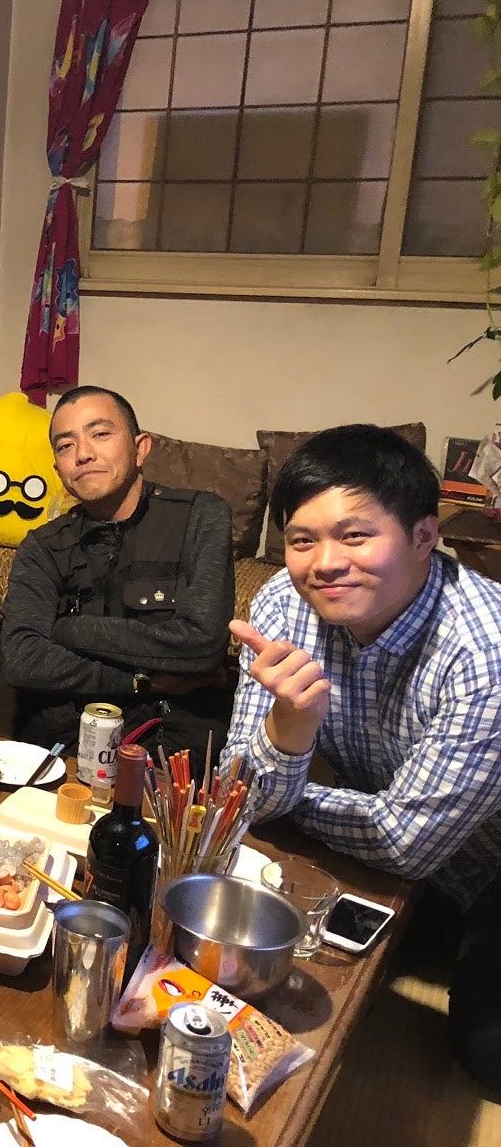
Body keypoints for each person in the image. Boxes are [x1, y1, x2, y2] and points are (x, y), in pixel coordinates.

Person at [226, 424, 501, 1092]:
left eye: (354, 535)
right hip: (385, 834)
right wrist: (288, 730)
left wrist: (285, 790)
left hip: (488, 860)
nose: (324, 563)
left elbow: (406, 843)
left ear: (424, 536)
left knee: (486, 1054)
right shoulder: (283, 604)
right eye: (302, 540)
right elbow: (240, 790)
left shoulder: (484, 651)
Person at [0, 386, 235, 771]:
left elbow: (202, 643)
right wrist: (141, 680)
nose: (83, 453)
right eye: (65, 445)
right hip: (65, 742)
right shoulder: (43, 546)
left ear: (141, 448)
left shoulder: (200, 516)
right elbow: (23, 659)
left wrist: (69, 630)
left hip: (170, 746)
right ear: (58, 468)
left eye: (100, 434)